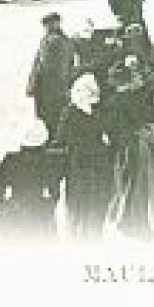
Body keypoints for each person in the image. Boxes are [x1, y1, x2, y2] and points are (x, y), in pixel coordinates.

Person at [101, 59, 154, 240]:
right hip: (139, 144)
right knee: (142, 184)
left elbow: (111, 128)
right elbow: (146, 114)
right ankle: (138, 222)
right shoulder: (133, 97)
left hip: (129, 145)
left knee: (129, 183)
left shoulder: (113, 101)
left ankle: (127, 220)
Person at [56, 72, 112, 240]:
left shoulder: (70, 113)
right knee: (95, 206)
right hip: (97, 163)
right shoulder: (98, 111)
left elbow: (61, 138)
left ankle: (77, 235)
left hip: (79, 164)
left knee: (77, 204)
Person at [0, 122, 64, 243]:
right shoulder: (48, 161)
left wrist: (3, 205)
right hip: (40, 210)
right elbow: (54, 189)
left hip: (14, 208)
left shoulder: (11, 159)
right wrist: (49, 205)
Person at [27, 13, 77, 139]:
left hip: (48, 88)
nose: (47, 27)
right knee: (56, 118)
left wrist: (33, 85)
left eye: (49, 24)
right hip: (59, 87)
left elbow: (42, 66)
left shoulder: (52, 41)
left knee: (48, 120)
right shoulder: (64, 40)